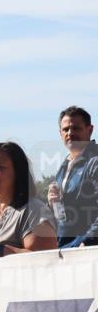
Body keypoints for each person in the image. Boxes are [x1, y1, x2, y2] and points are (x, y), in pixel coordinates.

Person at [48, 106, 98, 248]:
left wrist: (87, 241)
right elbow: (62, 216)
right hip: (65, 247)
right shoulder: (63, 167)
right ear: (60, 133)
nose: (70, 133)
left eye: (76, 128)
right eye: (65, 129)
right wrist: (52, 205)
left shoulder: (95, 162)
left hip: (87, 250)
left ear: (90, 130)